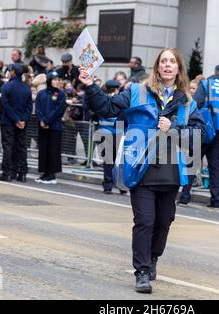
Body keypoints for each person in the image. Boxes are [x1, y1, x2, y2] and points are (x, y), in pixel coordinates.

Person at [79, 48, 205, 294]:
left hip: (171, 171)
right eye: (163, 61)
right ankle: (142, 272)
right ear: (157, 67)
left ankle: (154, 257)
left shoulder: (189, 103)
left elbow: (200, 135)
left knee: (164, 221)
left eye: (172, 62)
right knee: (145, 221)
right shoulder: (136, 92)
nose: (167, 65)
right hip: (140, 168)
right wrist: (90, 86)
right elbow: (107, 108)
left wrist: (175, 127)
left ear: (179, 68)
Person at [179, 65, 219, 208]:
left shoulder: (205, 84)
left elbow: (195, 105)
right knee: (215, 166)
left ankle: (184, 197)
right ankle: (216, 200)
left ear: (214, 74)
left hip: (203, 130)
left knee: (192, 163)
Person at [0, 64, 32, 182]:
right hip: (22, 121)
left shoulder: (7, 87)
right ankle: (22, 172)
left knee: (8, 147)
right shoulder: (26, 88)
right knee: (21, 147)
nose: (8, 72)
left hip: (8, 121)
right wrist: (23, 120)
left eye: (10, 70)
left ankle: (7, 173)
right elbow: (29, 106)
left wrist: (16, 120)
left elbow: (5, 105)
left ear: (13, 72)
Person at [35, 71, 66, 185]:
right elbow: (38, 108)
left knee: (53, 150)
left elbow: (59, 110)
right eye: (54, 79)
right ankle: (45, 172)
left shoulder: (61, 94)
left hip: (54, 126)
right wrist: (42, 120)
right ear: (49, 81)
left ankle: (52, 174)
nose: (57, 81)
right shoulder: (41, 93)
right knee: (43, 150)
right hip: (42, 126)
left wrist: (47, 121)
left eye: (58, 79)